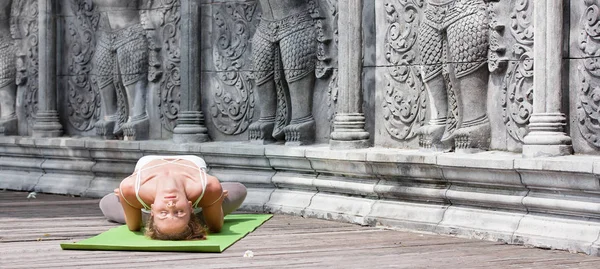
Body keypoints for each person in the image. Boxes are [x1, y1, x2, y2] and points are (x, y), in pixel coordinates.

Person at [99, 155, 247, 240]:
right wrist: (217, 198)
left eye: (163, 213)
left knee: (105, 203)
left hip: (147, 162)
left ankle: (153, 219)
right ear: (190, 206)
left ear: (152, 209)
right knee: (240, 190)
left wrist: (126, 199)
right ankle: (197, 218)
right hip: (192, 162)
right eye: (179, 212)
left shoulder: (132, 189)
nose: (170, 205)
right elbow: (216, 227)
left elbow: (133, 226)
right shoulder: (207, 187)